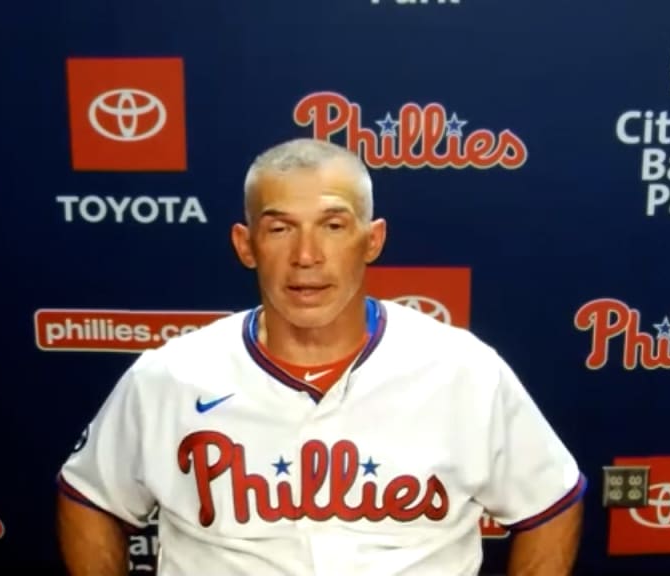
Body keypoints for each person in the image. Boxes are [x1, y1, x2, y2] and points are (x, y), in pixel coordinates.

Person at [55, 137, 586, 575]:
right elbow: (91, 498)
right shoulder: (170, 376)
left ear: (372, 239)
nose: (306, 256)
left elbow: (551, 504)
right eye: (280, 228)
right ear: (246, 245)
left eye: (333, 226)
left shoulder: (463, 371)